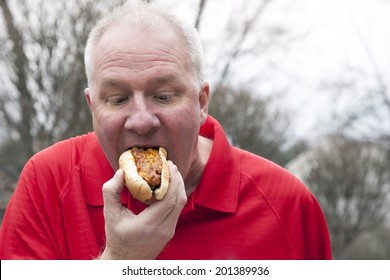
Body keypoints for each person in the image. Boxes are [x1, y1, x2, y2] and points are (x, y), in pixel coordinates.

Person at [0, 1, 331, 260]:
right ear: (93, 108)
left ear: (202, 102)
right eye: (117, 98)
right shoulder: (46, 184)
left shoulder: (287, 204)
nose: (142, 121)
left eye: (163, 96)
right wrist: (120, 261)